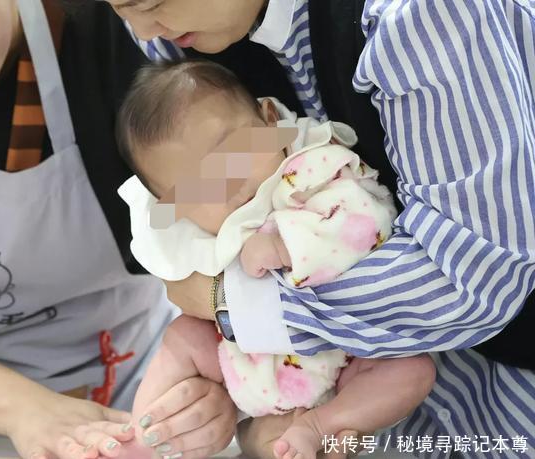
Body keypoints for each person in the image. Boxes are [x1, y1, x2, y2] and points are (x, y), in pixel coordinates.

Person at [104, 0, 535, 457]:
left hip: (502, 382)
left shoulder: (415, 16)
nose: (143, 31)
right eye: (122, 10)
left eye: (149, 4)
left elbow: (478, 277)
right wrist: (242, 410)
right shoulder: (183, 37)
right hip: (370, 403)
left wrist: (233, 303)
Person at [0, 1, 236, 458]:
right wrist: (23, 408)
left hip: (140, 398)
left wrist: (219, 367)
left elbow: (235, 231)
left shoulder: (121, 33)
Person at [117, 59, 436, 459]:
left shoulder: (312, 166)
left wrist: (286, 244)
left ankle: (318, 426)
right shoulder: (195, 228)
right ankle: (141, 437)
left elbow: (368, 220)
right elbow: (193, 299)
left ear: (269, 119)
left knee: (412, 371)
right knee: (182, 338)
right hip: (246, 367)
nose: (228, 186)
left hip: (349, 358)